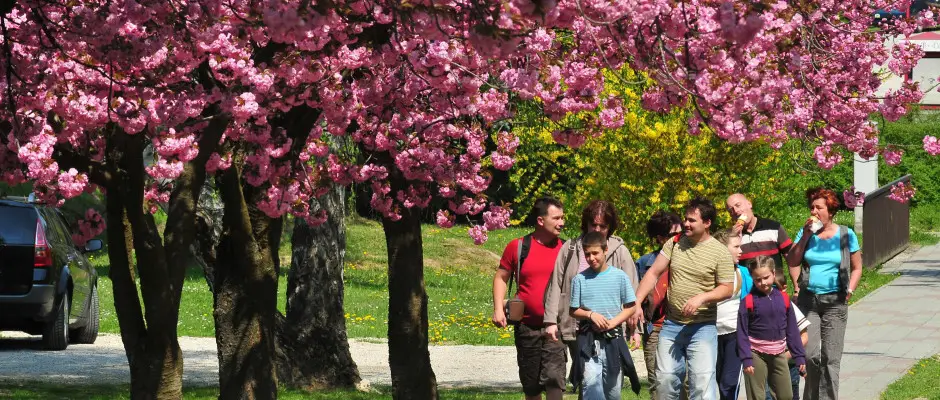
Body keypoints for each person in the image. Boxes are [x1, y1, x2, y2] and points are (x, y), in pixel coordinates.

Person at [634, 197, 735, 400]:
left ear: (707, 223)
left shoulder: (720, 252)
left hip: (703, 327)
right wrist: (636, 302)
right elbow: (653, 272)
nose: (686, 224)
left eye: (692, 220)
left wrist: (702, 298)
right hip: (672, 326)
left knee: (702, 385)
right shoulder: (675, 243)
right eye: (685, 219)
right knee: (665, 382)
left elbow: (727, 289)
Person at [543, 200, 638, 386]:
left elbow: (632, 293)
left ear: (610, 227)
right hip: (578, 327)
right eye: (593, 224)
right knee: (587, 380)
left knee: (610, 382)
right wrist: (550, 321)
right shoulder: (570, 248)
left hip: (611, 328)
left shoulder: (620, 251)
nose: (597, 228)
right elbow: (556, 285)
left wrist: (635, 329)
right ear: (586, 223)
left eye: (603, 225)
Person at [785, 188, 862, 400]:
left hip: (835, 302)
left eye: (819, 207)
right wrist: (805, 236)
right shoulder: (806, 233)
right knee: (808, 354)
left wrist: (851, 289)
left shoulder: (846, 234)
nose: (814, 211)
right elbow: (792, 261)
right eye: (812, 207)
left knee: (831, 357)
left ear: (830, 210)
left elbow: (857, 267)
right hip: (808, 301)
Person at [492, 196, 568, 400]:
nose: (562, 222)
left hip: (556, 327)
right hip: (526, 327)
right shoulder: (517, 247)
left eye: (562, 217)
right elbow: (501, 277)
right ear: (541, 220)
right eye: (557, 218)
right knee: (531, 386)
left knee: (554, 381)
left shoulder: (567, 249)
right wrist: (499, 309)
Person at [569, 231, 641, 399]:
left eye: (595, 253)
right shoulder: (579, 280)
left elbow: (631, 307)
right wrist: (590, 314)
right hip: (589, 341)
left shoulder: (620, 277)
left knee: (613, 391)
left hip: (613, 340)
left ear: (605, 250)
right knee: (591, 387)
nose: (591, 258)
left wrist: (613, 322)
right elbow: (573, 310)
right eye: (587, 254)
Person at [738, 256, 806, 400]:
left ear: (774, 273)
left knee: (786, 395)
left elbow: (792, 330)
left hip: (779, 353)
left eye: (766, 277)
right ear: (752, 278)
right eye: (757, 279)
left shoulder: (783, 298)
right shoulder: (748, 301)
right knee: (757, 396)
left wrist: (799, 356)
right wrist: (746, 358)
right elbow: (742, 332)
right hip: (755, 353)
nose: (763, 283)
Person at [634, 211, 683, 400]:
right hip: (655, 328)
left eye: (681, 233)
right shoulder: (644, 263)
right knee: (658, 383)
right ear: (660, 239)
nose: (679, 238)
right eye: (673, 235)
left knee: (685, 381)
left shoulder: (690, 258)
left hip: (682, 325)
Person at [712, 229, 752, 400]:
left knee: (729, 383)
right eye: (736, 247)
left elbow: (759, 296)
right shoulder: (707, 273)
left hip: (735, 334)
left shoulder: (742, 273)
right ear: (721, 249)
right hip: (708, 333)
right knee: (711, 380)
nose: (741, 251)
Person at [726, 194, 793, 289]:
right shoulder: (731, 237)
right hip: (747, 293)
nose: (736, 211)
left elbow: (791, 259)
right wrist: (732, 237)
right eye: (730, 210)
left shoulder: (773, 227)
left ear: (749, 204)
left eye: (738, 205)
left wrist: (797, 289)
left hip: (775, 289)